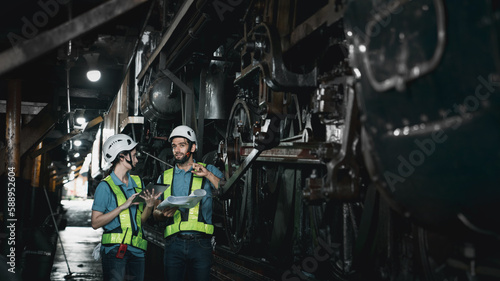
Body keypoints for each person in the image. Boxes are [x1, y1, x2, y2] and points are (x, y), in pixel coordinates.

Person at [153, 125, 224, 281]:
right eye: (174, 146)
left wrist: (208, 175)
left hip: (201, 244)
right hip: (173, 244)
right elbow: (155, 212)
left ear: (193, 147)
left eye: (182, 145)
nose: (177, 150)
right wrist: (162, 214)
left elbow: (228, 191)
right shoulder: (163, 177)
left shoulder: (208, 169)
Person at [91, 134, 161, 281]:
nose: (136, 160)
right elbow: (95, 223)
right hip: (115, 251)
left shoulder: (137, 182)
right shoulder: (105, 187)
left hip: (137, 250)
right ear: (122, 156)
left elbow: (140, 220)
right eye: (134, 155)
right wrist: (123, 206)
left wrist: (149, 206)